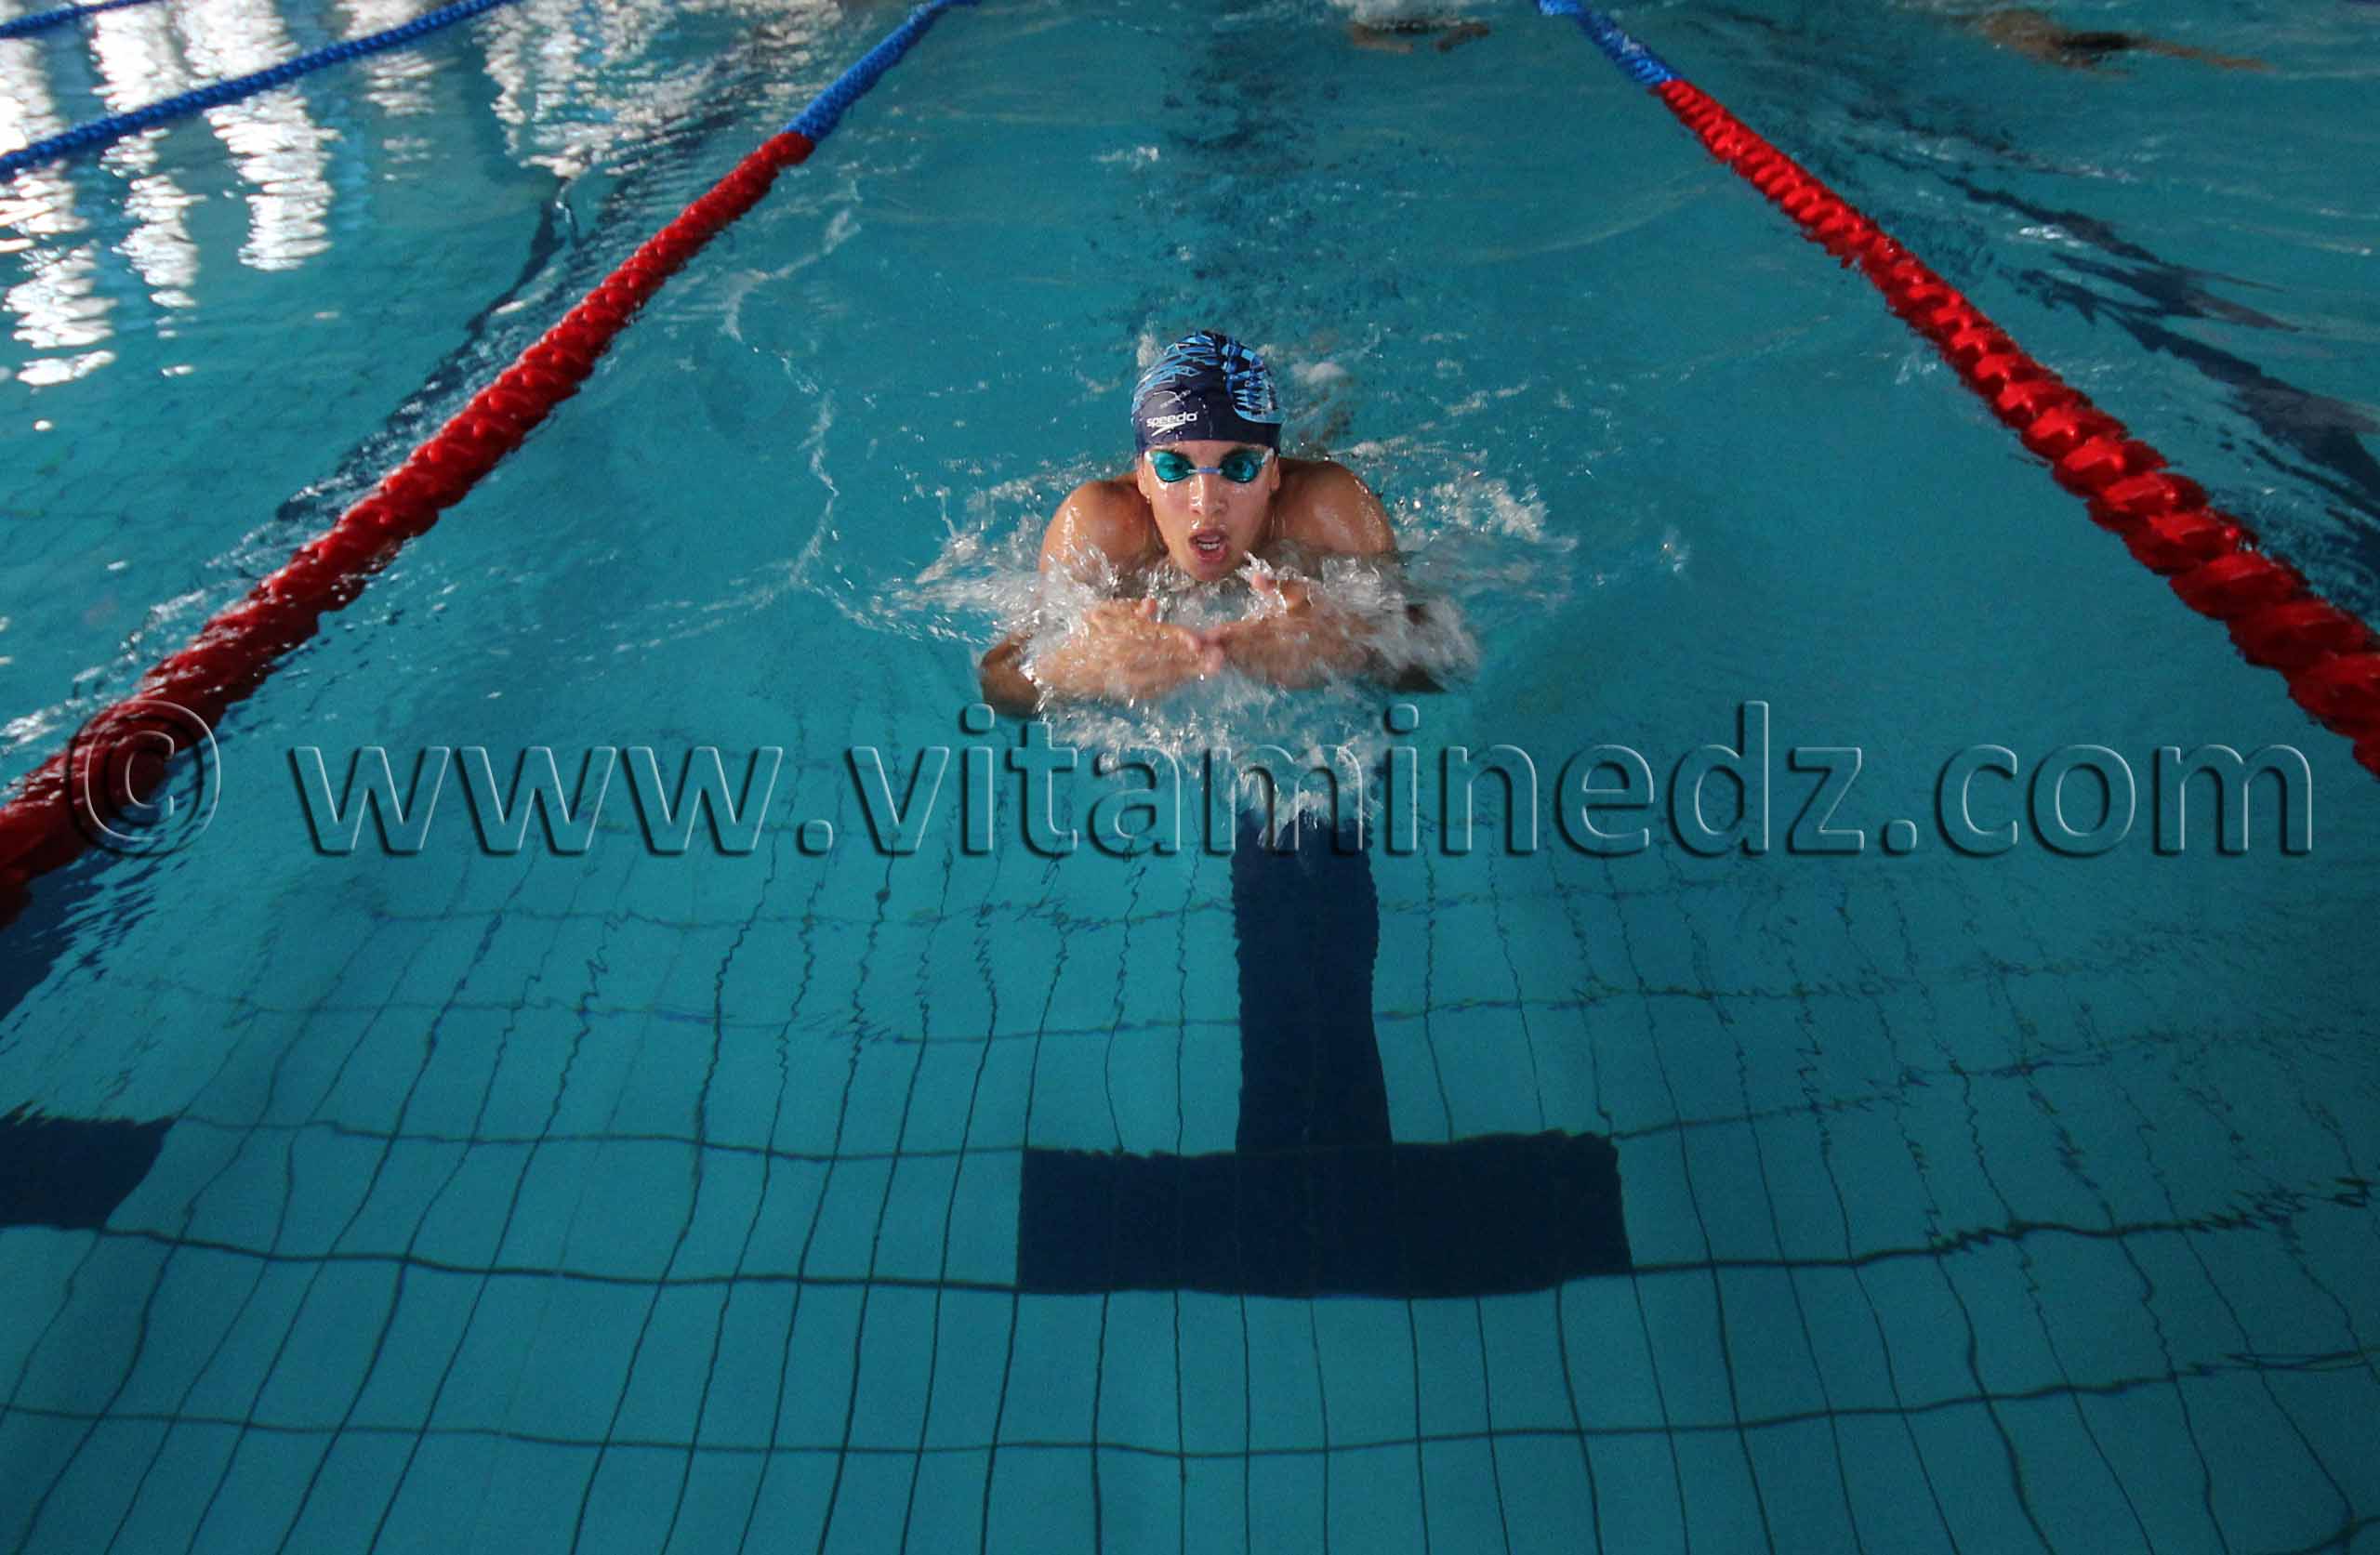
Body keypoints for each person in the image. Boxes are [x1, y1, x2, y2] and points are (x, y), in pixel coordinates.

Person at [978, 330, 1421, 716]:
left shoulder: (1328, 510)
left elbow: (1439, 656)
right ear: (1144, 476)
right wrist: (1073, 667)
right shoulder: (1100, 523)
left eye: (1240, 467)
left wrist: (1345, 643)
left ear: (1274, 472)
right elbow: (999, 683)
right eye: (1174, 468)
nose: (1205, 503)